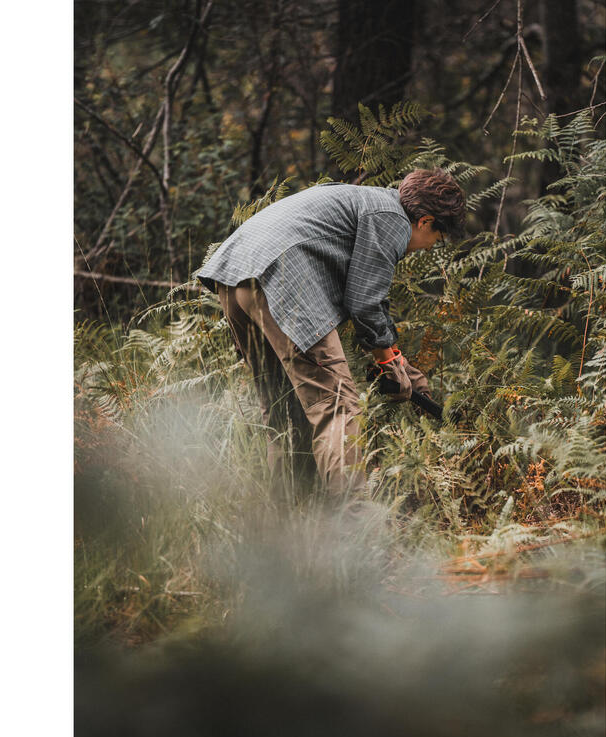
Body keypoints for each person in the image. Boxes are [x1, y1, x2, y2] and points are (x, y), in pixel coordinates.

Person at [196, 168, 466, 499]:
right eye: (435, 240)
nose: (425, 248)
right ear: (424, 220)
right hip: (280, 279)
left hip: (235, 276)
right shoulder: (394, 219)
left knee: (285, 410)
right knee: (337, 407)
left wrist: (393, 359)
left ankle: (290, 522)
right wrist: (388, 362)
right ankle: (355, 530)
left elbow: (367, 297)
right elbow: (365, 301)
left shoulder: (365, 201)